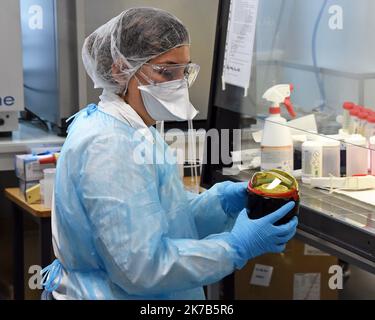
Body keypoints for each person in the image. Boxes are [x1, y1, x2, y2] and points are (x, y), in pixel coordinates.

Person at [41, 7, 298, 300]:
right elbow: (142, 268)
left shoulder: (136, 128)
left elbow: (160, 219)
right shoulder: (108, 145)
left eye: (184, 71)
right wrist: (235, 247)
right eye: (167, 71)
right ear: (120, 68)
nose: (179, 83)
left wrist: (218, 204)